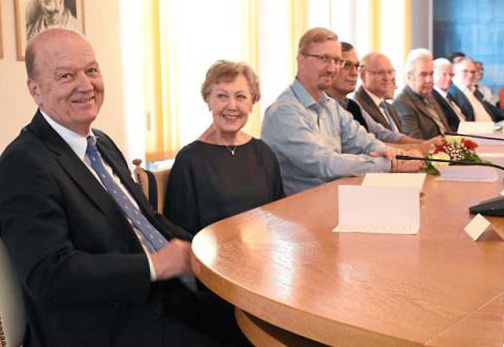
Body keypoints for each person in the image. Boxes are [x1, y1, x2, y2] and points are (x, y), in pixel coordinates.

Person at [0, 29, 241, 347]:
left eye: (91, 70)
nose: (86, 85)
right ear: (35, 91)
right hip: (106, 326)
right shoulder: (23, 163)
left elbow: (147, 219)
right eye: (66, 75)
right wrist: (155, 265)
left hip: (162, 295)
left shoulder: (101, 142)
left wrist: (208, 248)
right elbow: (51, 275)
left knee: (260, 321)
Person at [261, 28, 422, 196]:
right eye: (324, 59)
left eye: (337, 61)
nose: (332, 69)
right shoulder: (283, 112)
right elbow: (326, 163)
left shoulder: (331, 106)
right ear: (301, 60)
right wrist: (391, 164)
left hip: (336, 201)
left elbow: (364, 140)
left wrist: (391, 154)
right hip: (300, 212)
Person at [164, 60, 284, 236]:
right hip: (212, 260)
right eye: (222, 96)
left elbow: (277, 217)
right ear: (208, 100)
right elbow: (179, 233)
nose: (232, 106)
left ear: (252, 103)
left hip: (262, 256)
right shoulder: (189, 160)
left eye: (241, 97)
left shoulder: (263, 153)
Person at [327, 43, 433, 154]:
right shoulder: (333, 105)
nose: (354, 73)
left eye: (356, 66)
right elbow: (364, 145)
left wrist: (424, 144)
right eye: (346, 65)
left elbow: (381, 133)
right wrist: (420, 148)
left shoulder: (353, 105)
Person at [393, 48, 450, 140]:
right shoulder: (402, 102)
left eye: (431, 74)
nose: (429, 80)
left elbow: (446, 129)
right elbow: (415, 141)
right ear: (409, 77)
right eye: (423, 75)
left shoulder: (429, 95)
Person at [354, 52, 403, 133]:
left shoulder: (390, 109)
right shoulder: (357, 107)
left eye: (390, 72)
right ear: (363, 75)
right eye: (380, 72)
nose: (387, 78)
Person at [448, 57, 504, 122]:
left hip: (492, 129)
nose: (470, 75)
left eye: (473, 72)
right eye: (465, 71)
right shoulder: (451, 93)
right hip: (475, 131)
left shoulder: (474, 90)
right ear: (454, 72)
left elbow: (494, 111)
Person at [431, 57, 466, 131]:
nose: (449, 78)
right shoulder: (432, 97)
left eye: (451, 75)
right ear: (433, 75)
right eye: (444, 75)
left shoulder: (450, 96)